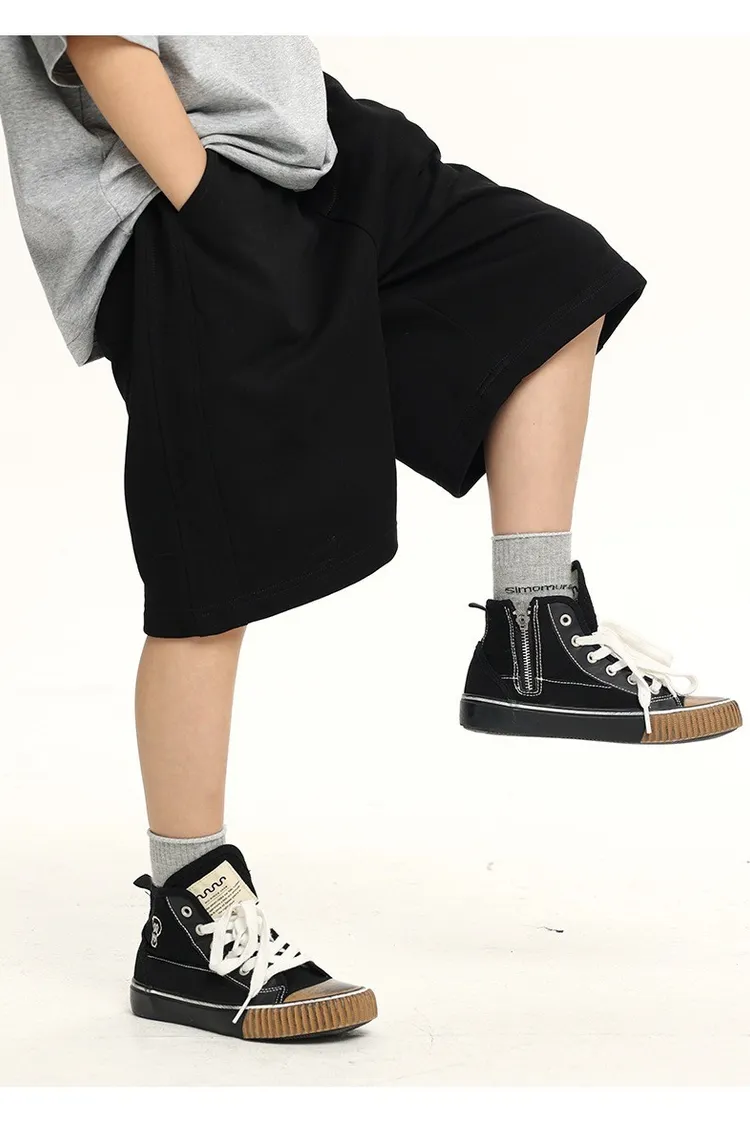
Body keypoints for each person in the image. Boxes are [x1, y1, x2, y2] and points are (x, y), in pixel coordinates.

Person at [0, 34, 741, 1045]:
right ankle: (187, 914)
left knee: (550, 275)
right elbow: (99, 38)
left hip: (314, 137)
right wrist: (208, 205)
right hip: (175, 194)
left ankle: (535, 637)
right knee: (207, 578)